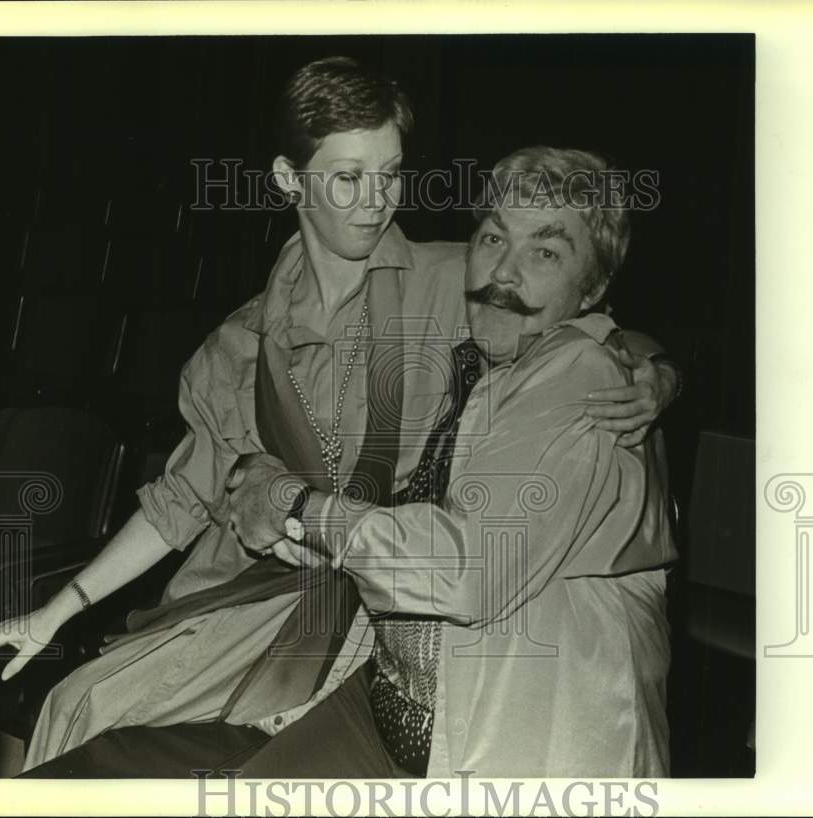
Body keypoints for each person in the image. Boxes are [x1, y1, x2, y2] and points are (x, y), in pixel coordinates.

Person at [0, 57, 676, 775]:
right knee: (80, 705)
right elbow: (182, 499)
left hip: (387, 593)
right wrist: (55, 612)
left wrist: (661, 373)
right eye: (348, 178)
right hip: (267, 589)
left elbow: (574, 313)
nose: (376, 201)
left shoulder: (451, 278)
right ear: (288, 181)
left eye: (391, 174)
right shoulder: (242, 342)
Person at [221, 145, 678, 777]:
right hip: (394, 707)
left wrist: (292, 505)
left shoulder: (582, 373)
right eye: (493, 237)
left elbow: (465, 568)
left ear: (593, 289)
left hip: (521, 750)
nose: (505, 273)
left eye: (545, 252)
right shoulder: (474, 359)